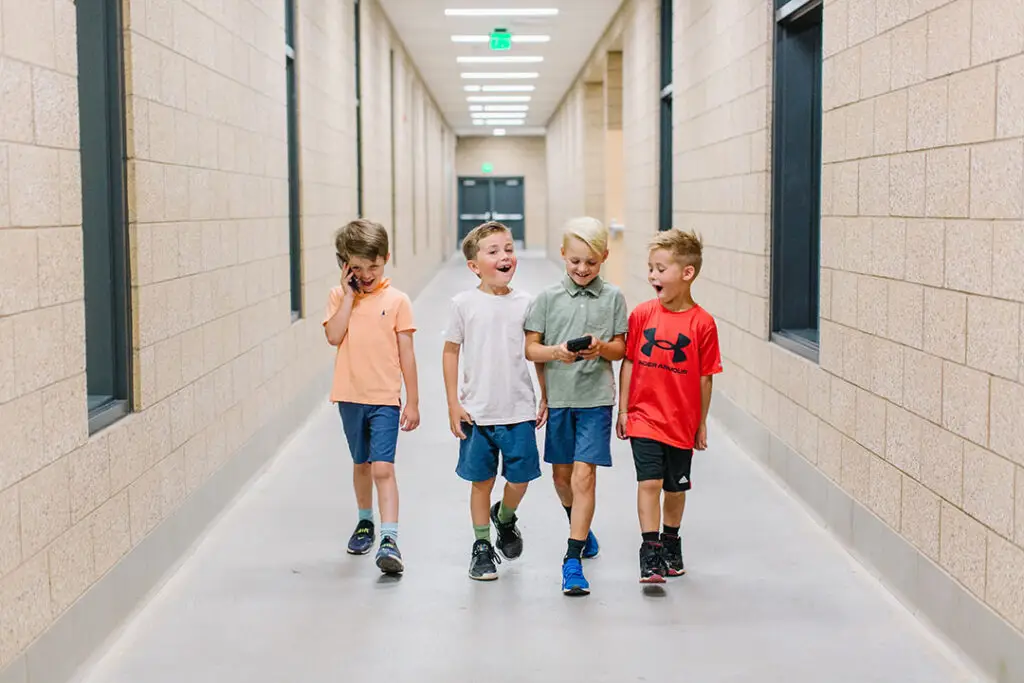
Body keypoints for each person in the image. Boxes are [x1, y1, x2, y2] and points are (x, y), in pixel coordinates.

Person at [524, 217, 627, 596]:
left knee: (585, 476)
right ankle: (580, 526)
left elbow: (621, 348)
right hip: (562, 400)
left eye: (591, 263)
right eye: (575, 261)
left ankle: (571, 558)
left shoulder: (614, 297)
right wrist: (557, 354)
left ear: (604, 258)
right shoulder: (547, 299)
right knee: (562, 478)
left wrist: (602, 348)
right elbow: (531, 348)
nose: (583, 269)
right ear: (564, 255)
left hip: (595, 399)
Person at [442, 221, 547, 581]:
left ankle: (504, 517)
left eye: (508, 248)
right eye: (493, 251)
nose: (505, 256)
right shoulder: (463, 304)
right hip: (477, 412)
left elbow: (535, 354)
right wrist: (454, 403)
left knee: (521, 479)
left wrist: (544, 395)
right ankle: (482, 546)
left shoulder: (527, 304)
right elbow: (451, 352)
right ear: (474, 265)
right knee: (481, 482)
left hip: (518, 409)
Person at [616, 228, 722, 583]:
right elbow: (629, 362)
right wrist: (624, 409)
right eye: (650, 268)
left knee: (675, 488)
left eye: (660, 269)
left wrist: (701, 422)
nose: (652, 276)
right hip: (644, 417)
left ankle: (671, 540)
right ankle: (650, 551)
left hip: (681, 421)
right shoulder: (643, 315)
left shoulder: (702, 323)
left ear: (686, 273)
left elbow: (706, 377)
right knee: (649, 482)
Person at [323, 219, 420, 575]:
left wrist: (412, 400)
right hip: (349, 396)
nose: (366, 275)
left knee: (383, 467)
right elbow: (334, 336)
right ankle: (365, 522)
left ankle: (390, 537)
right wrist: (348, 297)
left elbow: (407, 353)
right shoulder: (339, 297)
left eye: (373, 267)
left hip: (385, 399)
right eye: (357, 268)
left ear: (386, 259)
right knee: (361, 463)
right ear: (345, 265)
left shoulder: (397, 301)